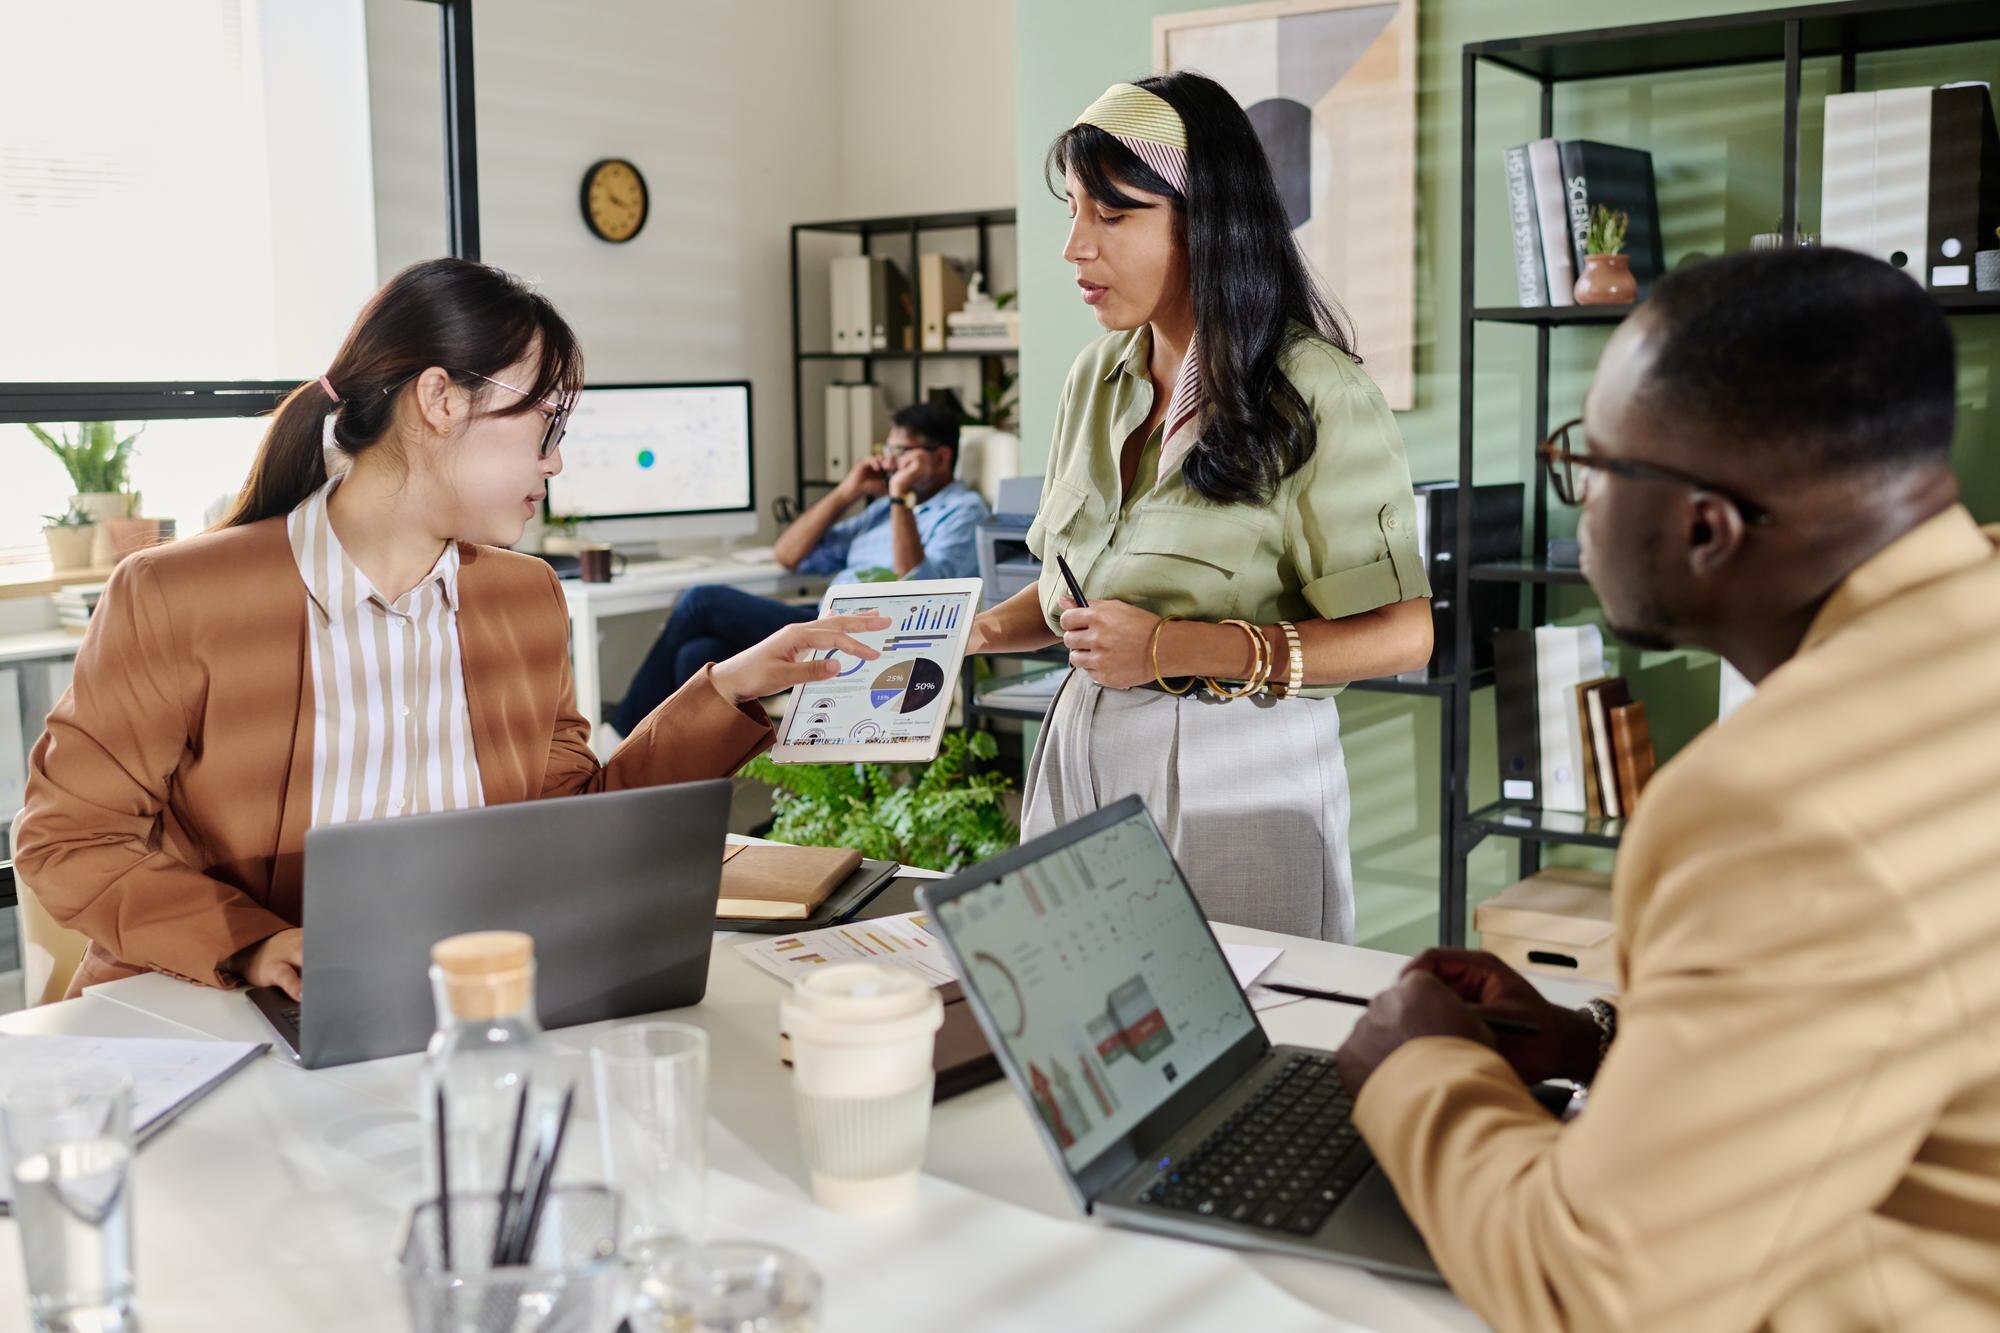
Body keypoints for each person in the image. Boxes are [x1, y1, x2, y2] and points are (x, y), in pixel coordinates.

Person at [1334, 248, 2000, 1329]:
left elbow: (1593, 1289)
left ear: (1702, 528)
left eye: (1593, 465)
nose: (1581, 504)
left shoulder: (1782, 807)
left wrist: (1412, 1067)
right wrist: (1607, 1042)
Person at [16, 258, 887, 1002]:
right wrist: (252, 941)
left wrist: (729, 690)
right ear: (439, 397)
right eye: (546, 422)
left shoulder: (524, 598)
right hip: (219, 1015)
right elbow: (69, 841)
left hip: (447, 1009)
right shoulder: (178, 596)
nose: (556, 459)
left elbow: (569, 828)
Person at [966, 73, 1433, 943]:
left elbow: (1403, 634)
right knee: (1076, 1001)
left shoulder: (1316, 390)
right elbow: (1083, 592)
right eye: (1073, 210)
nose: (1074, 246)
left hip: (1239, 772)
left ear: (1206, 222)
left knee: (1251, 1015)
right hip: (1077, 755)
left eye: (1113, 215)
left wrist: (1172, 648)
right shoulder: (1095, 378)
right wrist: (974, 631)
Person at [608, 400, 987, 737]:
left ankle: (621, 736)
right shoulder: (880, 511)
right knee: (698, 655)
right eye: (887, 451)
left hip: (873, 638)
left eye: (901, 452)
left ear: (940, 457)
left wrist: (899, 498)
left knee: (701, 601)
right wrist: (848, 491)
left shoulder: (963, 511)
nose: (889, 463)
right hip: (824, 620)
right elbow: (788, 554)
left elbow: (919, 588)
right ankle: (684, 782)